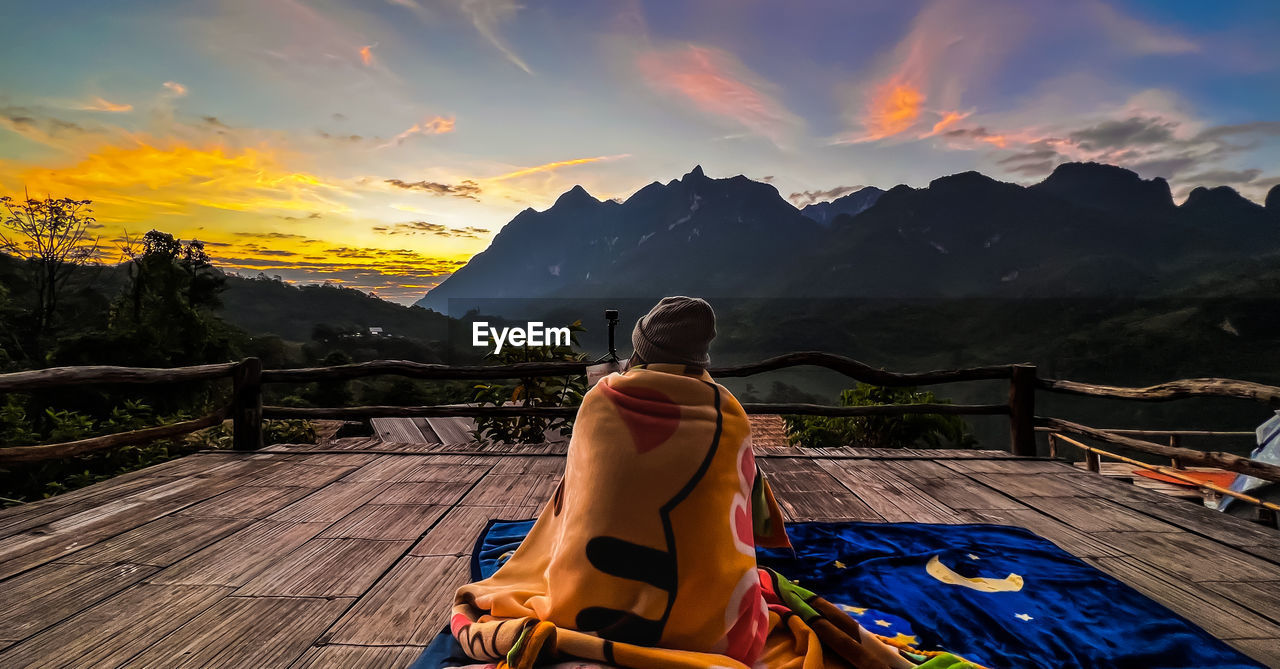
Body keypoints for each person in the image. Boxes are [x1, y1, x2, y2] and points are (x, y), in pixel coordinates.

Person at [447, 297, 974, 669]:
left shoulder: (602, 398)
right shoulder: (727, 412)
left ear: (641, 351)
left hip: (585, 602)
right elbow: (742, 500)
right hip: (715, 627)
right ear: (700, 357)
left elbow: (579, 496)